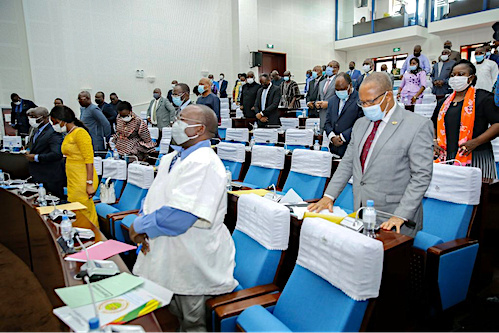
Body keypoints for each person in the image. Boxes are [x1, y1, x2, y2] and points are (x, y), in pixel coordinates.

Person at [130, 104, 237, 331]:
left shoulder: (205, 162)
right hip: (171, 254)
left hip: (193, 260)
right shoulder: (172, 158)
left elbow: (180, 216)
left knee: (193, 322)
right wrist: (142, 221)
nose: (174, 123)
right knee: (176, 313)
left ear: (198, 130)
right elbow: (155, 197)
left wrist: (139, 226)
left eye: (181, 119)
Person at [308, 72, 434, 237]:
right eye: (362, 103)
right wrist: (329, 196)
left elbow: (421, 176)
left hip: (394, 217)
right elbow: (347, 163)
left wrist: (401, 214)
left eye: (370, 102)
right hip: (361, 212)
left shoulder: (417, 125)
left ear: (388, 96)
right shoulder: (361, 124)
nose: (366, 107)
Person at [432, 60, 499, 179]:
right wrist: (434, 140)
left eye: (460, 74)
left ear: (471, 78)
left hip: (477, 156)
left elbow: (497, 124)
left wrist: (476, 142)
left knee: (480, 194)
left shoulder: (483, 98)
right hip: (447, 158)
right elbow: (432, 124)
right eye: (453, 75)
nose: (455, 78)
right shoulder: (443, 103)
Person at [49, 105, 99, 226]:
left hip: (83, 179)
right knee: (75, 209)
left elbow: (89, 160)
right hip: (73, 178)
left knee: (84, 210)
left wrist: (89, 183)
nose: (54, 125)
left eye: (54, 121)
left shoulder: (80, 133)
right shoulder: (69, 134)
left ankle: (94, 235)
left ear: (62, 120)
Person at [25, 107, 65, 198]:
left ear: (44, 118)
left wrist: (36, 157)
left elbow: (56, 154)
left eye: (34, 117)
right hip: (37, 175)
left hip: (50, 176)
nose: (31, 119)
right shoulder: (35, 130)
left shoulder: (53, 132)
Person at [324, 73, 364, 158]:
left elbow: (361, 124)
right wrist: (332, 137)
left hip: (351, 148)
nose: (339, 92)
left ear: (350, 86)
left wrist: (343, 137)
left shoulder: (361, 100)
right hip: (333, 148)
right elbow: (327, 122)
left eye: (342, 89)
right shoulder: (332, 100)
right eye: (337, 89)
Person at [316, 60, 340, 132]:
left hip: (334, 116)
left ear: (336, 69)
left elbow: (341, 98)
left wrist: (328, 104)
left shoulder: (339, 81)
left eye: (331, 66)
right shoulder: (322, 82)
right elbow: (318, 97)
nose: (328, 68)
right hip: (322, 115)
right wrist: (316, 103)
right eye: (328, 66)